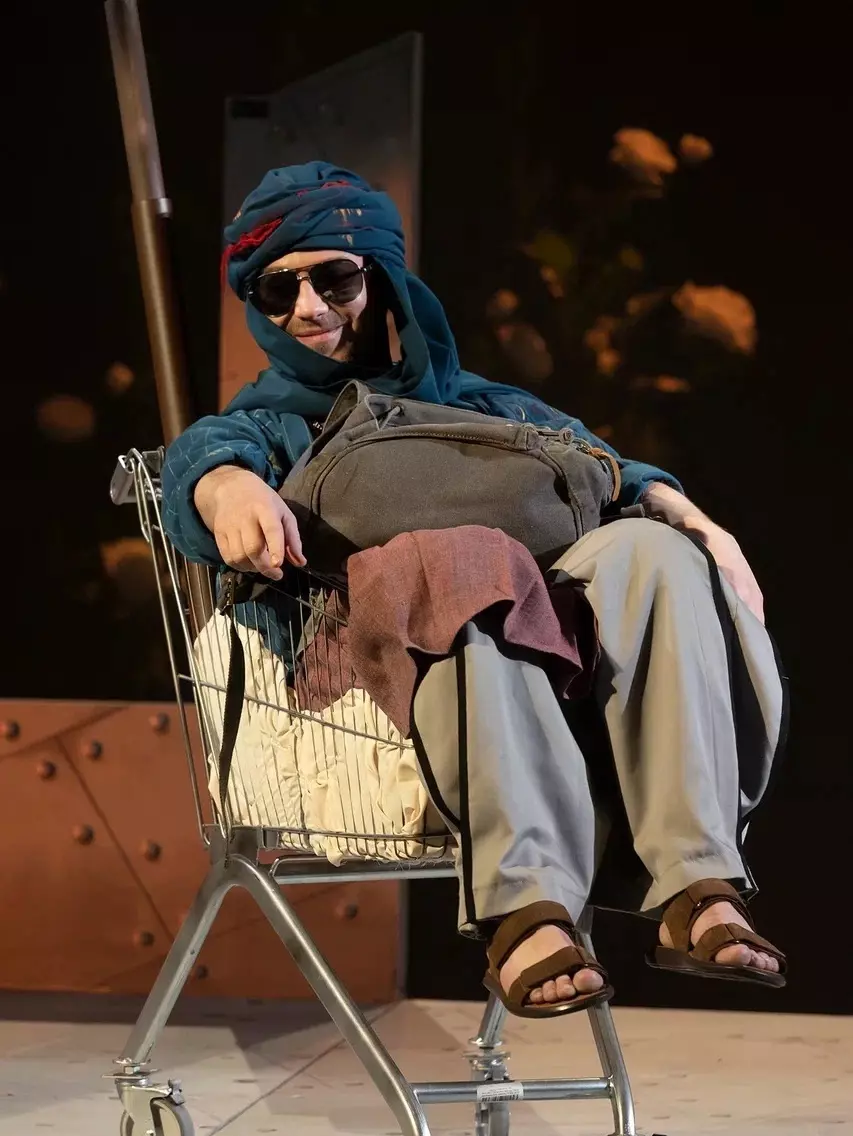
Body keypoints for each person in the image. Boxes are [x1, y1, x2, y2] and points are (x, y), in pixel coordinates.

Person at [162, 162, 787, 1019]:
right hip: (375, 660)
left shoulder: (486, 405)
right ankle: (521, 906)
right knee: (464, 561)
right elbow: (203, 463)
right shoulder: (266, 423)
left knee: (651, 550)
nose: (308, 308)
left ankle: (695, 882)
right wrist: (225, 486)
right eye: (278, 290)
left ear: (381, 278)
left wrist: (691, 518)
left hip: (535, 649)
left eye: (334, 278)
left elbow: (609, 470)